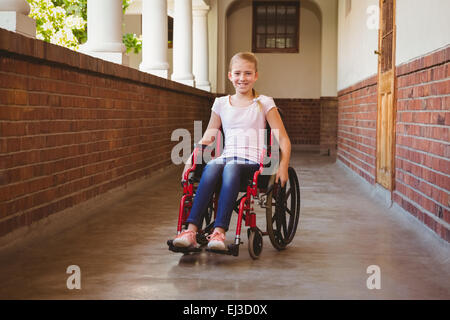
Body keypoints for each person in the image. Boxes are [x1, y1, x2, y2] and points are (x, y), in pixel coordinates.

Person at [172, 52, 291, 251]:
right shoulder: (220, 103)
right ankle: (191, 231)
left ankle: (219, 233)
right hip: (227, 157)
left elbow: (284, 139)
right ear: (230, 76)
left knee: (231, 167)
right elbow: (208, 136)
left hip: (253, 162)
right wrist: (190, 159)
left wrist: (284, 166)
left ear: (256, 76)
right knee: (212, 165)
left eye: (247, 73)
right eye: (237, 73)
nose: (242, 78)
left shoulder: (264, 102)